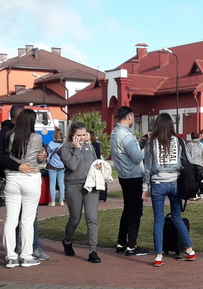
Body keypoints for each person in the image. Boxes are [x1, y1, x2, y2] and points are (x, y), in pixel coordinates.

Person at [0, 105, 50, 261]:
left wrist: (4, 173)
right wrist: (41, 155)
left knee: (11, 219)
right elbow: (40, 153)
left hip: (12, 177)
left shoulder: (8, 135)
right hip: (30, 177)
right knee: (27, 219)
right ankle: (26, 256)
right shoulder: (36, 137)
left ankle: (10, 256)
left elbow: (2, 157)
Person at [143, 113, 195, 267]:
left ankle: (159, 256)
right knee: (177, 217)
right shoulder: (179, 141)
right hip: (175, 182)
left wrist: (144, 187)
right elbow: (187, 161)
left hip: (158, 183)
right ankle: (190, 250)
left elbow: (147, 167)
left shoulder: (151, 142)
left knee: (158, 220)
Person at [59, 121, 104, 264]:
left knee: (92, 218)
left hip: (90, 184)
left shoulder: (89, 146)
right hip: (73, 185)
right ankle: (67, 240)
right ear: (72, 135)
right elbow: (71, 165)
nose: (83, 138)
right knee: (75, 218)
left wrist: (98, 165)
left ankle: (93, 250)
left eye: (85, 134)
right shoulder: (65, 148)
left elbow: (94, 160)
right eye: (79, 135)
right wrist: (77, 149)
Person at [110, 106, 148, 257]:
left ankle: (121, 242)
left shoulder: (115, 133)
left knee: (127, 209)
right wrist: (147, 145)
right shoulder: (125, 135)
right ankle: (132, 245)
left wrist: (141, 140)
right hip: (133, 177)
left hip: (124, 176)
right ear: (130, 117)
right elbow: (137, 157)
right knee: (135, 211)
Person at [185, 133, 203, 198]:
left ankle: (195, 193)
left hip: (192, 164)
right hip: (200, 163)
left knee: (193, 179)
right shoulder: (201, 144)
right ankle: (202, 192)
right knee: (201, 178)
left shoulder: (189, 144)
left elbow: (187, 154)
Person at [46, 128, 65, 206]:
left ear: (54, 135)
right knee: (61, 183)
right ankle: (61, 201)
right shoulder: (64, 145)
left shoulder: (50, 144)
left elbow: (48, 154)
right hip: (62, 165)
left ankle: (53, 201)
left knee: (52, 183)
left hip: (52, 165)